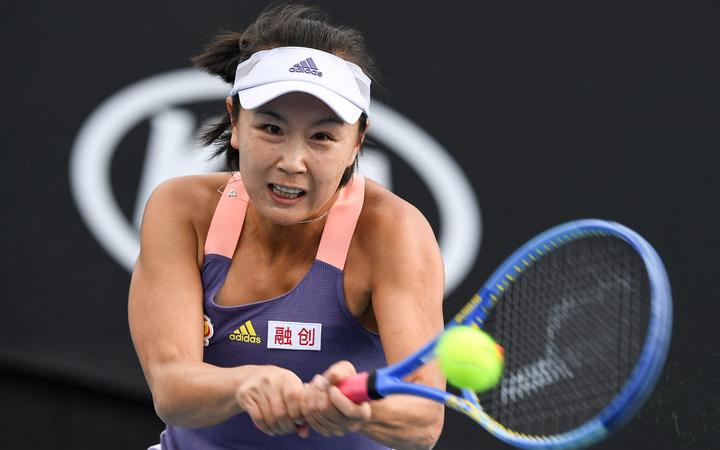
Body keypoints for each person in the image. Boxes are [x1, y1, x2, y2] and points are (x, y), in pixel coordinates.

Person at [128, 3, 445, 449]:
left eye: (322, 136)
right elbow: (171, 388)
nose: (292, 163)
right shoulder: (181, 209)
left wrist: (357, 411)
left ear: (357, 140)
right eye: (271, 128)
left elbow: (423, 421)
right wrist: (247, 383)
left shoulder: (393, 232)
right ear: (235, 121)